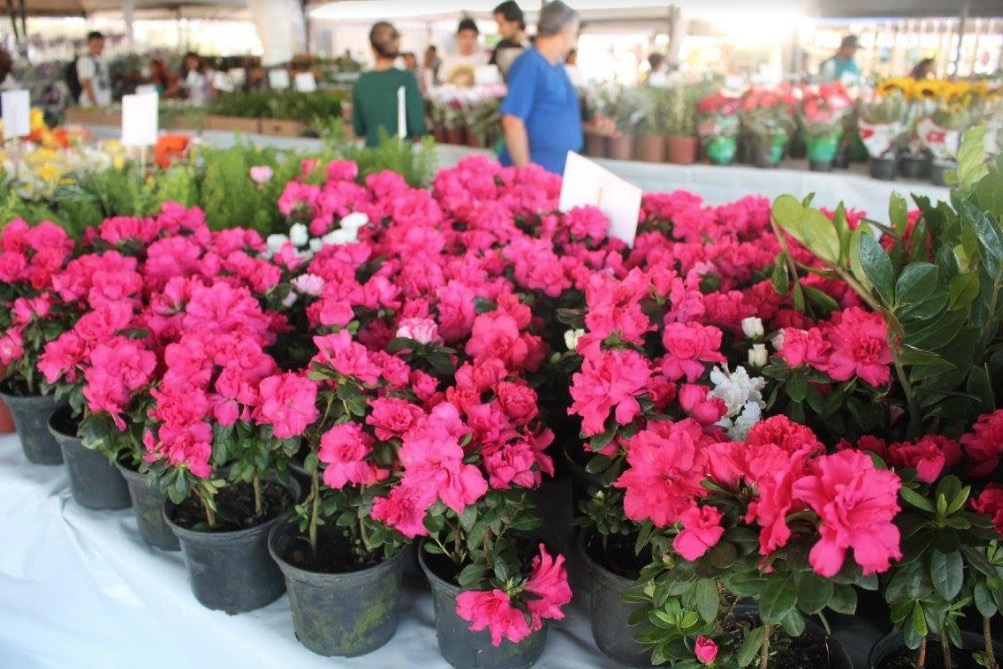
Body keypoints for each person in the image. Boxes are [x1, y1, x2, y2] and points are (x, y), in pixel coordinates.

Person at [499, 1, 582, 175]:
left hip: (556, 173)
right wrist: (527, 176)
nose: (574, 39)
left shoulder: (556, 66)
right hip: (537, 179)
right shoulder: (530, 64)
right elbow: (512, 121)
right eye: (575, 32)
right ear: (564, 30)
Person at [351, 21, 427, 148]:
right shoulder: (407, 78)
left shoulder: (361, 81)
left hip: (370, 157)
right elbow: (417, 126)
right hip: (400, 155)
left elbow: (359, 129)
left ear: (372, 48)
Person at [438, 18, 488, 86]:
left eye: (472, 36)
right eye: (464, 36)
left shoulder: (484, 60)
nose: (468, 41)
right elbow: (442, 83)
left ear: (477, 38)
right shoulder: (448, 60)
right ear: (457, 37)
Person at [490, 1, 529, 79]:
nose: (498, 30)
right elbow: (491, 71)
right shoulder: (501, 46)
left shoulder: (535, 44)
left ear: (515, 23)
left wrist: (525, 43)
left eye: (501, 24)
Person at [76, 31, 111, 107]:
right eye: (95, 45)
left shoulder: (101, 59)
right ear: (89, 44)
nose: (98, 47)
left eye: (100, 45)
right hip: (92, 103)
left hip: (104, 101)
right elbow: (86, 82)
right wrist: (94, 103)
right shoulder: (85, 60)